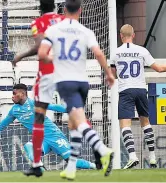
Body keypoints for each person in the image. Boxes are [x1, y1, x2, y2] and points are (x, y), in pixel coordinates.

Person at [38, 0, 115, 180]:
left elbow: (42, 54)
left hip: (66, 81)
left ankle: (102, 149)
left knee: (78, 121)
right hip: (82, 82)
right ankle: (71, 167)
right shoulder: (85, 31)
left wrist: (54, 56)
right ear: (80, 11)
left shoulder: (54, 29)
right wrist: (109, 74)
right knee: (73, 123)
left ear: (64, 10)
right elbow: (98, 53)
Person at [0, 84, 96, 176]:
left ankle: (96, 166)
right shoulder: (14, 110)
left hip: (54, 135)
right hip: (42, 140)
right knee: (28, 146)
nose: (13, 96)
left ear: (22, 94)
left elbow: (55, 107)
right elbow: (1, 125)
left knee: (71, 162)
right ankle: (40, 168)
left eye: (15, 93)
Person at [12, 0, 66, 176]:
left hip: (48, 72)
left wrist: (21, 56)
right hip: (70, 69)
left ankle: (36, 164)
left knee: (39, 117)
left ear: (40, 8)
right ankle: (101, 152)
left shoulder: (38, 23)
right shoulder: (66, 21)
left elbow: (39, 47)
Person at [109, 24, 166, 169]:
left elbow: (113, 75)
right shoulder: (142, 51)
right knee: (145, 122)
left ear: (121, 36)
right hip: (141, 89)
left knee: (124, 124)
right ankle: (152, 158)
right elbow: (159, 69)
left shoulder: (116, 53)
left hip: (125, 90)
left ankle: (132, 156)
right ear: (133, 35)